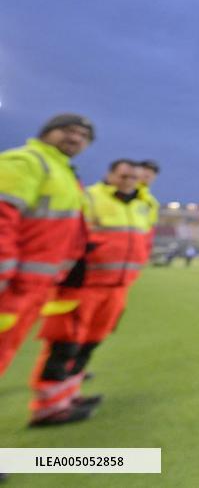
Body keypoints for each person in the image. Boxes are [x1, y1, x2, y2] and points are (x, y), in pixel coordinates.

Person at [30, 158, 156, 425]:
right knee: (64, 344)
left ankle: (69, 395)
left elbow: (142, 241)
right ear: (110, 174)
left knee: (89, 344)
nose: (128, 182)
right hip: (84, 285)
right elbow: (66, 234)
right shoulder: (88, 197)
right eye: (123, 176)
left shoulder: (142, 205)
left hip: (117, 287)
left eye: (133, 178)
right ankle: (48, 407)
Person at [0, 114, 94, 424]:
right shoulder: (27, 161)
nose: (76, 138)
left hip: (32, 286)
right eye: (68, 130)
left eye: (83, 136)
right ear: (46, 132)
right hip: (13, 285)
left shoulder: (64, 173)